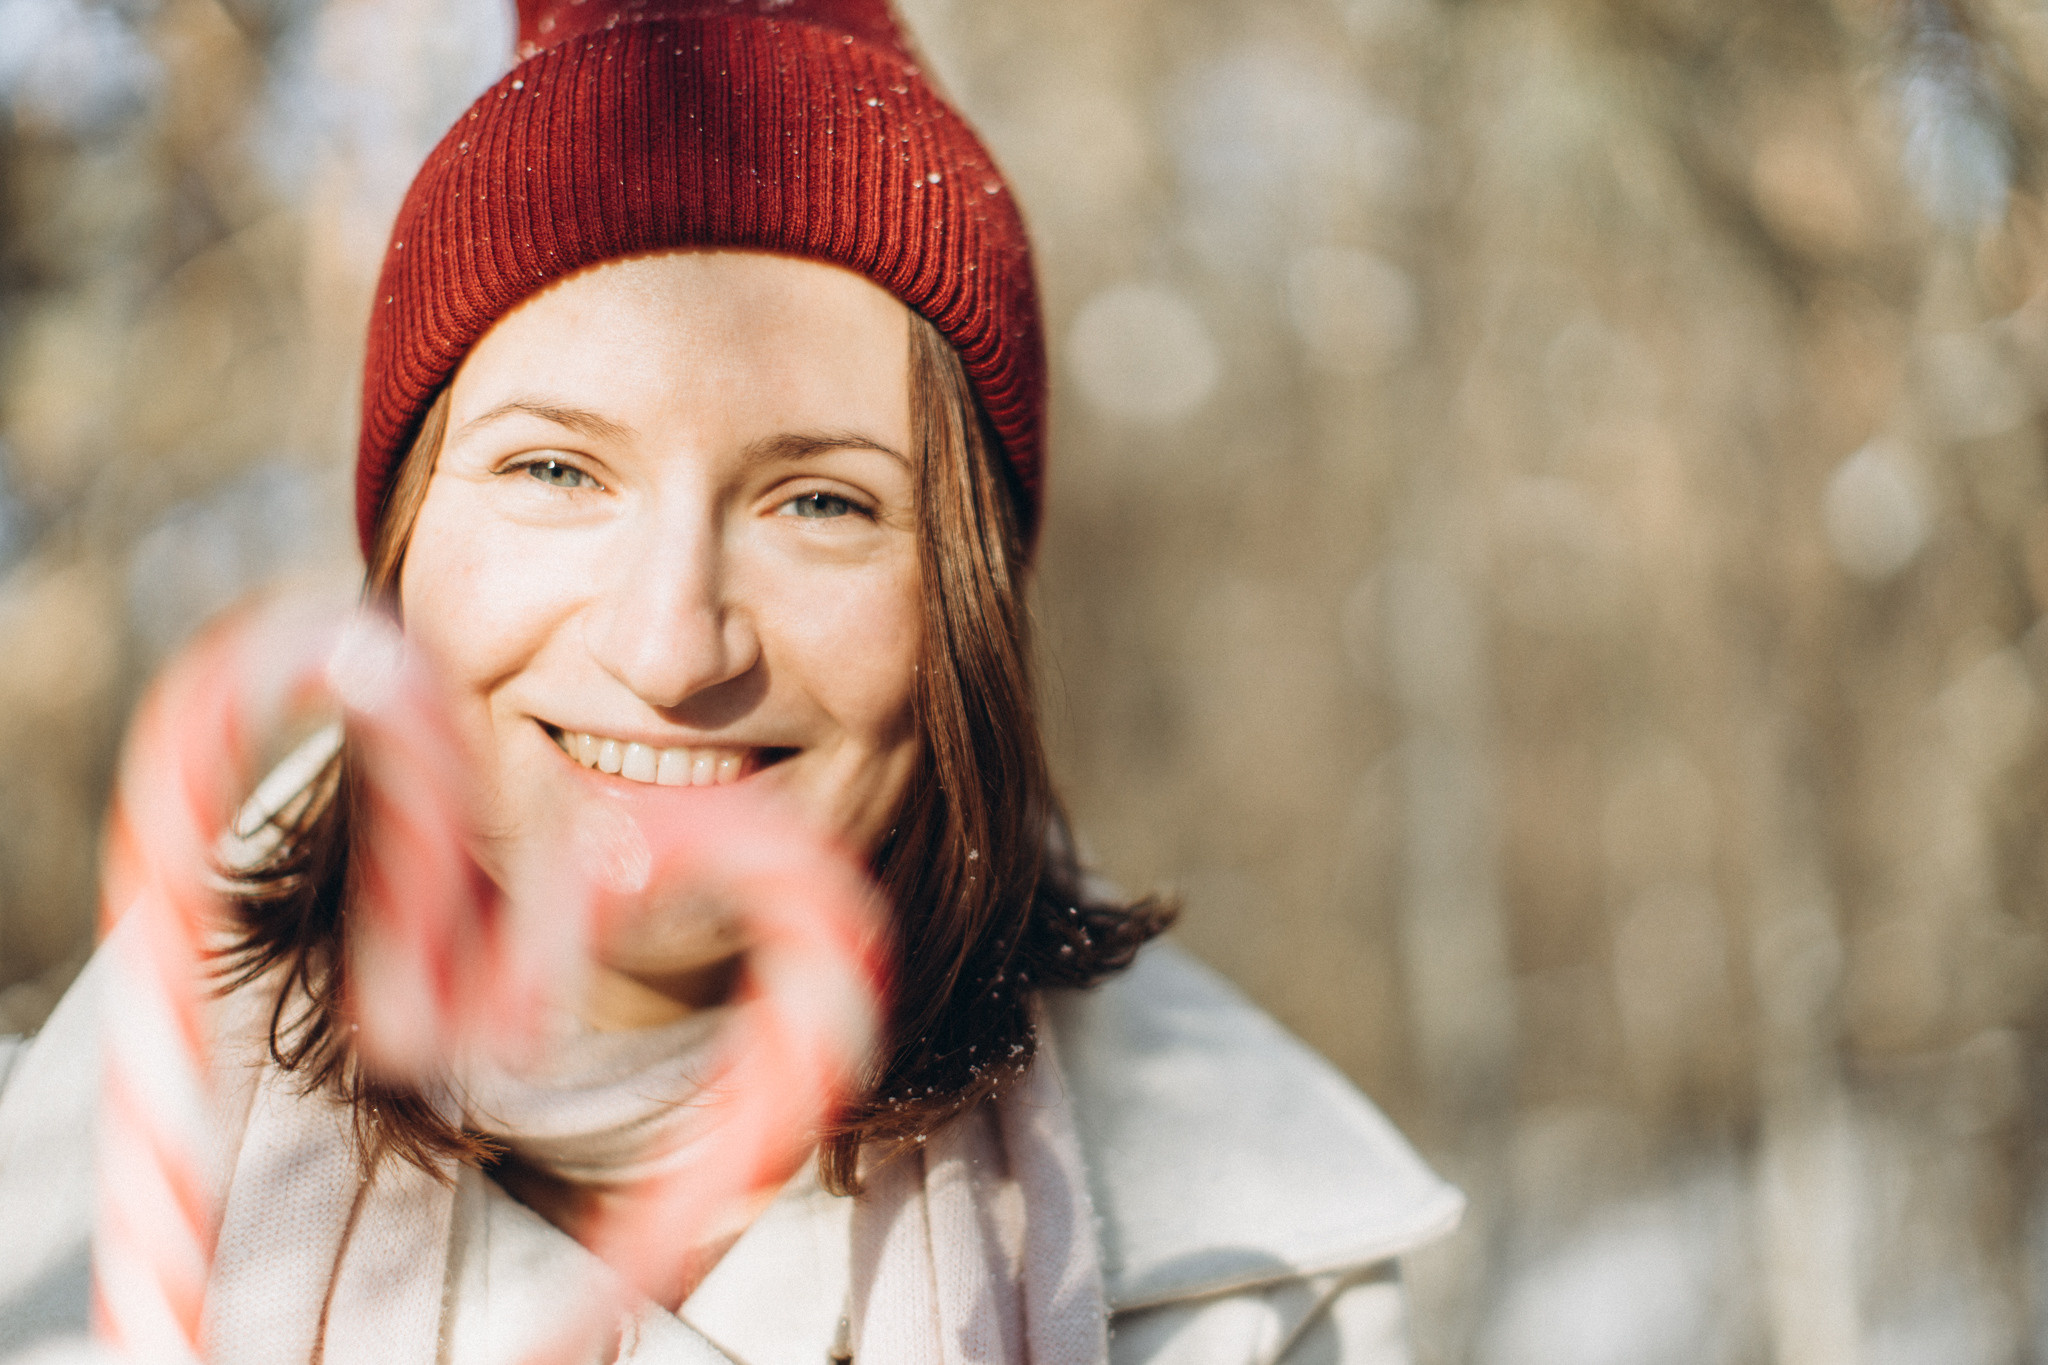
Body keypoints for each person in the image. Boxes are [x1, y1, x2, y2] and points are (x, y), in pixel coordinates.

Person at [0, 1, 1462, 1360]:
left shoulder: (1257, 1290)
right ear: (402, 534)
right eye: (555, 468)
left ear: (969, 602)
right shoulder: (67, 1228)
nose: (670, 646)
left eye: (821, 502)